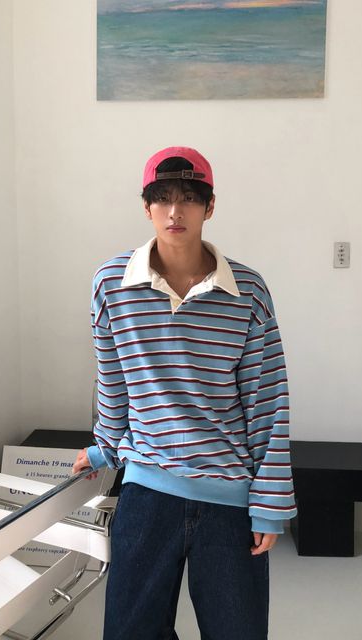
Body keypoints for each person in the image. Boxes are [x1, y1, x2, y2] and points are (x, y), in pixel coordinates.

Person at [73, 146, 297, 640]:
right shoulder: (111, 284)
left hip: (229, 499)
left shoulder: (248, 292)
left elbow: (268, 401)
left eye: (190, 198)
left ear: (209, 207)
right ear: (146, 206)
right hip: (147, 489)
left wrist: (269, 502)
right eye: (163, 198)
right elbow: (113, 381)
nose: (176, 211)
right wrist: (105, 447)